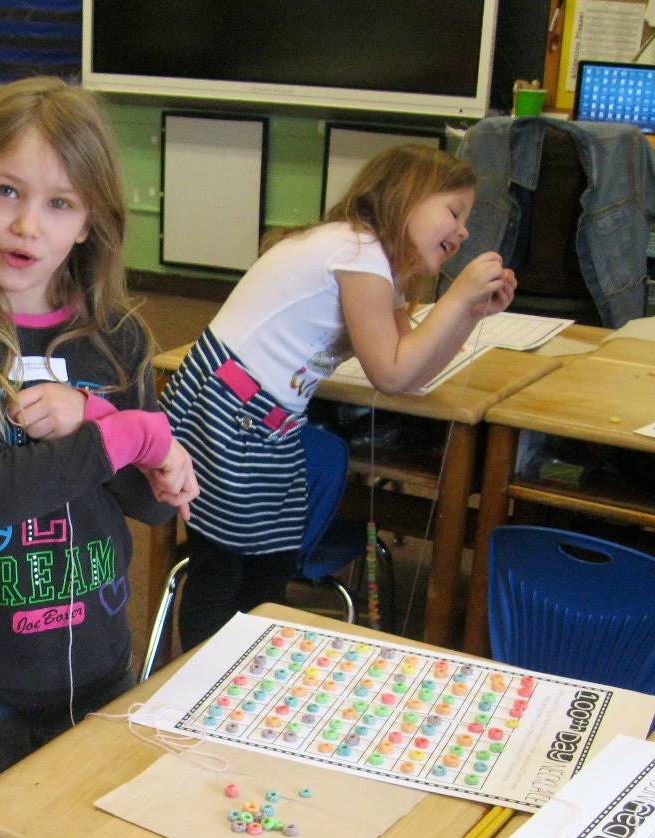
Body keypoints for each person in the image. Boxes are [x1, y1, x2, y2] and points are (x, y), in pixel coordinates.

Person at [0, 77, 199, 799]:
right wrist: (139, 433)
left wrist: (110, 423)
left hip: (100, 664)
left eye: (59, 204)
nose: (28, 227)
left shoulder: (119, 338)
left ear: (89, 222)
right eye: (6, 192)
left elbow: (146, 510)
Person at [163, 144, 517, 650]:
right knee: (225, 569)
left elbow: (409, 371)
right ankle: (198, 683)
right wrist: (456, 298)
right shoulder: (358, 251)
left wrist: (468, 313)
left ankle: (234, 676)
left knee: (270, 566)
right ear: (406, 198)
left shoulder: (377, 264)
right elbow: (392, 372)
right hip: (227, 407)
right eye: (454, 212)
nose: (462, 231)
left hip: (266, 420)